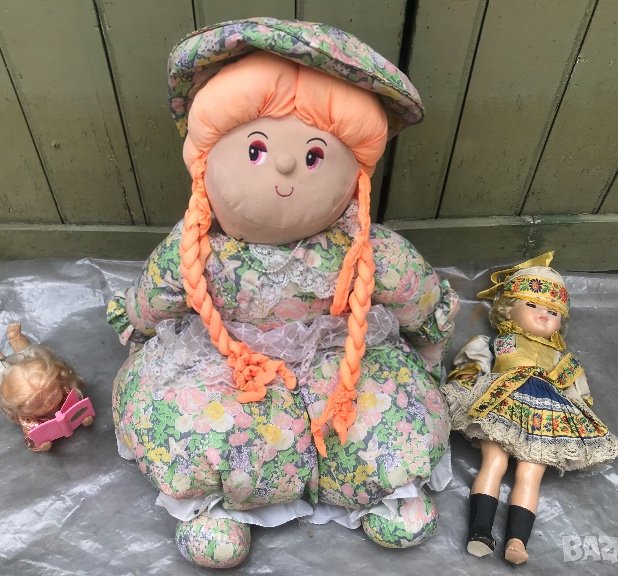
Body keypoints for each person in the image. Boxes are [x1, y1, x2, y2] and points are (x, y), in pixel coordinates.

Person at [107, 17, 459, 568]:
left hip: (336, 355)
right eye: (256, 149)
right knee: (205, 426)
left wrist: (427, 338)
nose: (288, 164)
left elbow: (415, 292)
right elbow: (156, 295)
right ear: (206, 162)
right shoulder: (197, 246)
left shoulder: (360, 248)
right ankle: (213, 504)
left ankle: (389, 491)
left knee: (378, 417)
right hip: (229, 359)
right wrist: (139, 321)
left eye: (316, 156)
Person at [440, 252, 618, 565]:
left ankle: (517, 540)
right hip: (502, 401)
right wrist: (466, 384)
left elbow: (576, 392)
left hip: (546, 413)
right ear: (508, 308)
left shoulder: (560, 359)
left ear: (560, 321)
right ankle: (480, 530)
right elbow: (473, 367)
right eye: (533, 305)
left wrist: (577, 413)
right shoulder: (497, 344)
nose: (543, 315)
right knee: (494, 462)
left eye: (552, 311)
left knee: (530, 474)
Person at [0, 323, 88, 451]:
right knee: (0, 370)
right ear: (22, 408)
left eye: (53, 394)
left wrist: (83, 414)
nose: (49, 404)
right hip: (11, 379)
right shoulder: (28, 418)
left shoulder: (63, 388)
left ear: (57, 382)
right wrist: (39, 443)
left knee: (30, 354)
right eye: (38, 405)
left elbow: (78, 399)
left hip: (33, 367)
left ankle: (16, 338)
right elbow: (30, 437)